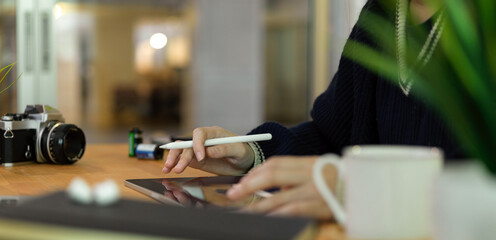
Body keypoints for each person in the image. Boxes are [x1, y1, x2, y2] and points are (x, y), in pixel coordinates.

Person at [163, 0, 461, 219]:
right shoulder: (381, 14)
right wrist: (252, 155)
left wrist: (362, 191)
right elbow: (332, 137)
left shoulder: (481, 27)